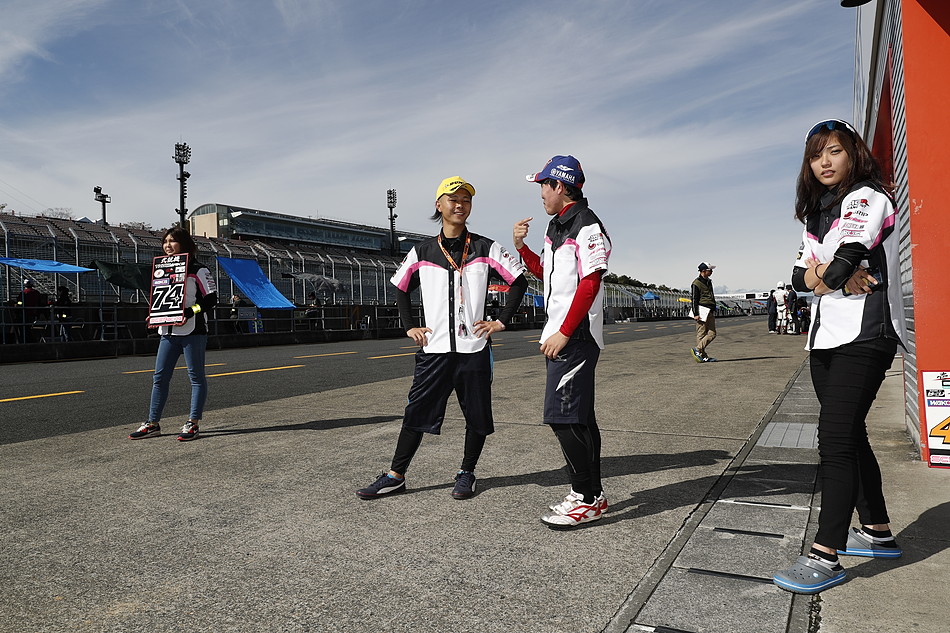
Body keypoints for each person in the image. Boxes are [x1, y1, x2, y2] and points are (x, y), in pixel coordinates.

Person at [772, 119, 907, 594]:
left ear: (854, 153)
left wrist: (830, 273)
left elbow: (840, 264)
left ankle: (825, 554)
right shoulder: (816, 213)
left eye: (834, 151)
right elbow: (798, 280)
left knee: (833, 441)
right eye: (815, 155)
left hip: (866, 336)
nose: (824, 162)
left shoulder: (867, 196)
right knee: (850, 434)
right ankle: (877, 531)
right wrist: (832, 275)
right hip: (825, 339)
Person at [356, 177, 527, 501]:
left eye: (466, 200)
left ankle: (466, 473)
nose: (460, 205)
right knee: (416, 412)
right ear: (439, 205)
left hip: (474, 349)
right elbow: (401, 287)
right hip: (434, 350)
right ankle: (395, 476)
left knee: (476, 415)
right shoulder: (422, 251)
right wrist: (410, 326)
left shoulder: (485, 248)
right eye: (453, 199)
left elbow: (518, 281)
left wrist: (501, 321)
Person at [514, 155, 611, 529]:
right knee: (580, 418)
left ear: (559, 185)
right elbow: (548, 274)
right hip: (562, 333)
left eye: (543, 185)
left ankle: (585, 497)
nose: (540, 192)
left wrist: (565, 331)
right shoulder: (557, 226)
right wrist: (522, 248)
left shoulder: (586, 225)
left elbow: (591, 282)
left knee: (563, 418)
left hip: (575, 336)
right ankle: (592, 495)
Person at [130, 226, 218, 442]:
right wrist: (156, 316)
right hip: (168, 333)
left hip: (193, 331)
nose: (168, 245)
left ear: (184, 244)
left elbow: (211, 300)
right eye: (165, 241)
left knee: (196, 378)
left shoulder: (198, 270)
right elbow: (162, 299)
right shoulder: (162, 269)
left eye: (173, 241)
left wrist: (190, 312)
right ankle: (152, 423)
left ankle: (193, 422)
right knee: (159, 378)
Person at [689, 263, 718, 362]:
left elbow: (711, 295)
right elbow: (694, 299)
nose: (711, 272)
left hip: (710, 310)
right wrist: (696, 314)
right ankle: (701, 354)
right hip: (702, 310)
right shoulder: (696, 283)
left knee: (712, 333)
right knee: (702, 333)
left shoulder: (709, 281)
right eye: (710, 270)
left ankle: (699, 351)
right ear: (703, 271)